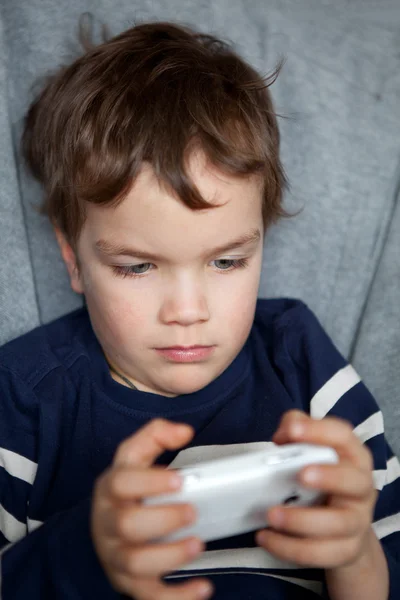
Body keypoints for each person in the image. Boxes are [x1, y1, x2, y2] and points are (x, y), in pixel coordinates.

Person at [0, 19, 399, 600]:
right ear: (74, 259)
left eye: (227, 262)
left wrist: (357, 553)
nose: (187, 312)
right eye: (137, 267)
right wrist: (83, 549)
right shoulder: (24, 396)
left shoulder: (301, 360)